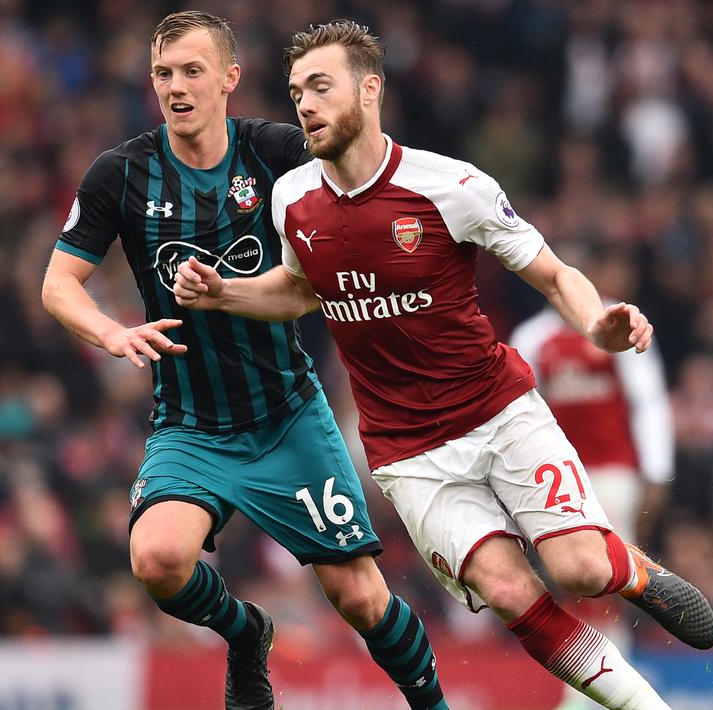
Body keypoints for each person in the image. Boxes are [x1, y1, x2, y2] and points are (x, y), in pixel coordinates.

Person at [174, 19, 713, 710]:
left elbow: (552, 273)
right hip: (407, 451)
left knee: (578, 571)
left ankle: (635, 575)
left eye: (319, 87)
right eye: (294, 92)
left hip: (498, 413)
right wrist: (226, 293)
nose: (304, 105)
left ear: (369, 91)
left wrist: (596, 327)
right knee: (507, 590)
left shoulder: (450, 185)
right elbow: (301, 291)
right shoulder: (291, 199)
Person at [41, 12, 448, 710]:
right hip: (191, 424)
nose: (176, 86)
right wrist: (109, 333)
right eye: (163, 73)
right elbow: (56, 284)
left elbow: (345, 228)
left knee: (358, 598)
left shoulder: (278, 153)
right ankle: (245, 631)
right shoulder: (122, 173)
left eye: (191, 71)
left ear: (229, 78)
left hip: (286, 415)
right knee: (156, 559)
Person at [510, 248, 674, 710]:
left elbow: (648, 403)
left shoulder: (620, 324)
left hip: (614, 472)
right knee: (572, 580)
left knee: (608, 578)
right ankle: (598, 686)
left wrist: (655, 473)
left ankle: (598, 691)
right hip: (559, 475)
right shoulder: (532, 337)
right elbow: (519, 415)